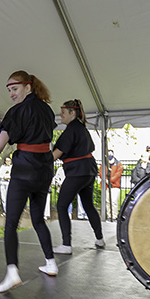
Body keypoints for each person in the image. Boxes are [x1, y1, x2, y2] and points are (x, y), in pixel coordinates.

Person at [0, 70, 57, 292]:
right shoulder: (47, 110)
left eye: (15, 88)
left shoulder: (15, 112)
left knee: (11, 223)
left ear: (28, 87)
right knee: (38, 219)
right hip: (44, 169)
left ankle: (12, 272)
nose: (11, 93)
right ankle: (51, 263)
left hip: (24, 171)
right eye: (9, 90)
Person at [51, 99, 105, 254]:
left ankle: (66, 245)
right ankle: (100, 239)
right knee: (88, 205)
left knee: (61, 205)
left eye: (63, 112)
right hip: (88, 171)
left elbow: (55, 155)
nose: (60, 115)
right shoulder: (81, 128)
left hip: (77, 172)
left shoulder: (71, 130)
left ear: (72, 113)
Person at [106, 150, 123, 222]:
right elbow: (101, 172)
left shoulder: (118, 164)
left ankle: (115, 216)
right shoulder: (105, 163)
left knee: (114, 202)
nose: (110, 155)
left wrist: (110, 181)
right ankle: (109, 216)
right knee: (107, 201)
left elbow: (118, 174)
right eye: (108, 154)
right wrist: (106, 180)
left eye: (111, 154)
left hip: (115, 186)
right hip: (107, 185)